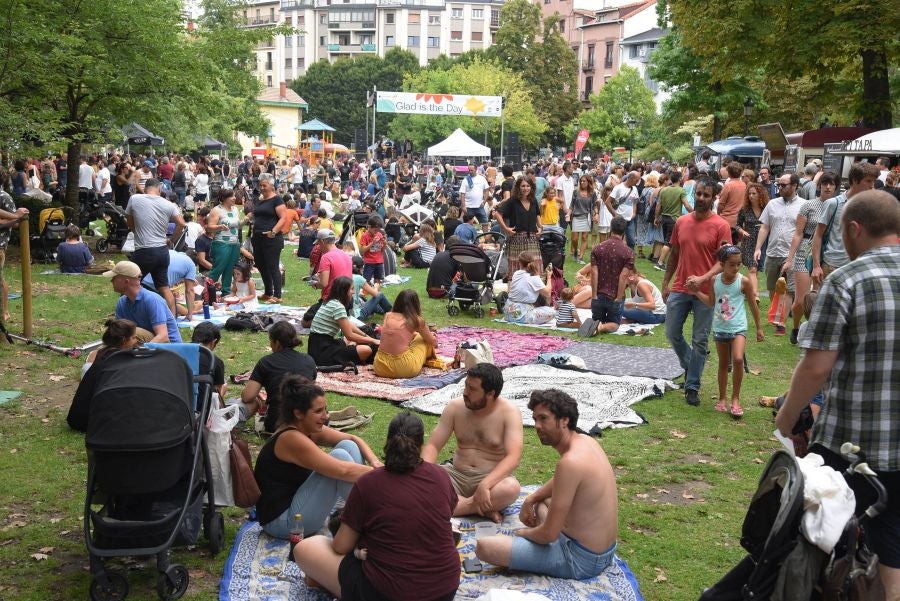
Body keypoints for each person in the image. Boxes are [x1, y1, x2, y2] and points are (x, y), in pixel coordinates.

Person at [776, 190, 899, 599]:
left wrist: (787, 415)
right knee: (892, 552)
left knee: (819, 544)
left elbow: (816, 366)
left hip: (851, 447)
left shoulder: (846, 279)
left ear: (853, 229)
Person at [295, 412, 459, 601]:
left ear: (388, 442)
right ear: (421, 446)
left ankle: (332, 584)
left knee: (306, 548)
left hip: (386, 592)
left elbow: (340, 546)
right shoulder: (440, 476)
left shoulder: (368, 483)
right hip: (445, 590)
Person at [476, 389, 618, 579]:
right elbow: (561, 481)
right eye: (535, 419)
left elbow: (549, 534)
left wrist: (522, 533)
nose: (537, 426)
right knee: (541, 501)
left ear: (565, 420)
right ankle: (538, 545)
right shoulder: (586, 441)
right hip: (603, 552)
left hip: (579, 560)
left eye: (543, 419)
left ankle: (537, 552)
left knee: (485, 547)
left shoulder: (569, 462)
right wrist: (531, 499)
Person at [254, 379, 382, 540]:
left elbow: (353, 438)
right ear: (298, 413)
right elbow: (344, 470)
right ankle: (374, 518)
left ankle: (365, 513)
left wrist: (375, 462)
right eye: (318, 411)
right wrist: (386, 474)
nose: (325, 416)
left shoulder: (306, 427)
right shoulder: (290, 438)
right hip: (283, 523)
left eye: (325, 410)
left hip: (299, 503)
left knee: (348, 445)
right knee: (340, 457)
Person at [662, 177, 732, 407]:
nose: (701, 198)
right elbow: (673, 253)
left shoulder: (721, 226)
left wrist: (703, 278)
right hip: (681, 286)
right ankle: (691, 362)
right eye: (699, 194)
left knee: (700, 339)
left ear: (713, 198)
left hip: (706, 291)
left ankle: (692, 385)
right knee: (671, 332)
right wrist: (666, 282)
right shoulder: (681, 222)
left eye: (706, 195)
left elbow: (725, 261)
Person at [422, 363, 522, 522]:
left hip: (490, 480)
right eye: (466, 386)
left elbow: (513, 457)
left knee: (511, 488)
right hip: (456, 475)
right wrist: (424, 473)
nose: (465, 393)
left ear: (490, 394)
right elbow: (433, 445)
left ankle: (454, 506)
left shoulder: (509, 413)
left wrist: (485, 485)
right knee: (420, 481)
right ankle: (477, 508)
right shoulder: (455, 407)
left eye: (472, 389)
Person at [693, 245, 764, 418]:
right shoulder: (715, 280)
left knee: (738, 359)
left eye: (739, 264)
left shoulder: (744, 281)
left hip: (738, 327)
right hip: (720, 327)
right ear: (722, 264)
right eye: (732, 264)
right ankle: (723, 398)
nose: (736, 268)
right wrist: (696, 293)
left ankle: (736, 399)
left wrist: (759, 327)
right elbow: (711, 303)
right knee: (724, 364)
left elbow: (753, 305)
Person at [782, 172, 835, 344]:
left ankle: (815, 331)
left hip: (827, 251)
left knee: (820, 297)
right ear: (819, 185)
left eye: (831, 184)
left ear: (835, 186)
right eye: (824, 183)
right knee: (801, 299)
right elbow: (798, 233)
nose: (827, 187)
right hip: (805, 250)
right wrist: (790, 258)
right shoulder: (808, 206)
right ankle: (797, 326)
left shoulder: (838, 205)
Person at [809, 161, 879, 287]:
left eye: (874, 181)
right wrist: (816, 266)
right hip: (831, 266)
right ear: (855, 180)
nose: (872, 186)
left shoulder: (869, 205)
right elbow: (818, 235)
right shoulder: (833, 204)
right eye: (868, 181)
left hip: (856, 268)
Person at [241, 321, 317, 434]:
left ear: (276, 343)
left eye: (270, 342)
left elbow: (247, 397)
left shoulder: (266, 362)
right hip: (305, 422)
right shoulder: (309, 360)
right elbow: (312, 392)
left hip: (277, 423)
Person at [125, 178, 185, 319]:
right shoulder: (169, 204)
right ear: (159, 189)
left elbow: (129, 220)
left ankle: (128, 316)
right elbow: (181, 224)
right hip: (162, 252)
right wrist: (171, 240)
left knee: (129, 282)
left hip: (144, 250)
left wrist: (135, 230)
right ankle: (172, 319)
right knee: (164, 288)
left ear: (145, 188)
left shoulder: (135, 199)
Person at [67, 319, 140, 431]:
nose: (136, 340)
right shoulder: (120, 359)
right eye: (134, 337)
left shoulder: (102, 353)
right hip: (91, 423)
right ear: (124, 340)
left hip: (76, 419)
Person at [754, 172, 803, 335]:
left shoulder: (804, 205)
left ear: (795, 186)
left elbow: (801, 232)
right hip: (773, 251)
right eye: (779, 185)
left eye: (784, 185)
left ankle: (780, 323)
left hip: (792, 253)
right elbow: (765, 227)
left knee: (788, 289)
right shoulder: (772, 204)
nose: (779, 188)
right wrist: (758, 248)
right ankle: (777, 313)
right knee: (772, 287)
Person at [308, 276, 380, 366]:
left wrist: (366, 336)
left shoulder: (330, 302)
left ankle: (351, 351)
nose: (354, 292)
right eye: (352, 289)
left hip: (316, 347)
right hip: (323, 352)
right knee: (366, 350)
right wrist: (373, 341)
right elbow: (350, 335)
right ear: (344, 291)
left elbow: (348, 324)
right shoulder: (338, 307)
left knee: (350, 341)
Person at [105, 260, 181, 343]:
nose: (111, 280)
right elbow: (118, 332)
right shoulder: (121, 302)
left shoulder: (152, 300)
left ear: (126, 281)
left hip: (171, 349)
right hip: (149, 343)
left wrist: (140, 351)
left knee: (133, 332)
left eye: (114, 277)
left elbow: (163, 337)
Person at [583, 216, 634, 336]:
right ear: (624, 231)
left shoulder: (597, 248)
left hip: (598, 294)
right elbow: (623, 277)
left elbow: (594, 273)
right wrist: (618, 298)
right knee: (615, 324)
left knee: (597, 319)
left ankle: (596, 325)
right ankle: (599, 328)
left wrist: (594, 295)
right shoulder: (628, 252)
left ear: (611, 228)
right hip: (615, 296)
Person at [371, 290, 437, 379]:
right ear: (416, 304)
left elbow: (398, 333)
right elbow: (433, 342)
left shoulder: (388, 315)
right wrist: (432, 336)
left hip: (380, 366)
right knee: (422, 339)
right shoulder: (416, 320)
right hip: (404, 368)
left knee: (417, 336)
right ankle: (428, 357)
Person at [249, 173, 290, 304]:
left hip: (271, 238)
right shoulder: (261, 200)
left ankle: (277, 295)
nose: (261, 187)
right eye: (260, 185)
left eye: (264, 185)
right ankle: (268, 292)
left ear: (271, 186)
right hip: (258, 237)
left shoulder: (277, 199)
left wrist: (274, 231)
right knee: (261, 265)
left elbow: (283, 217)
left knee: (272, 266)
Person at [302, 229, 352, 328]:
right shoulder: (345, 255)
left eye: (319, 244)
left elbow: (324, 284)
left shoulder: (326, 257)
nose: (318, 247)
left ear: (323, 242)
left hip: (331, 301)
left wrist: (315, 284)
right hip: (347, 301)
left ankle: (332, 321)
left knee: (305, 322)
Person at [495, 176, 543, 277]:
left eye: (528, 186)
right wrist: (505, 228)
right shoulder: (513, 201)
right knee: (516, 271)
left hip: (532, 240)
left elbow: (537, 214)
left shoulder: (533, 200)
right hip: (516, 241)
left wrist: (540, 226)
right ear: (518, 187)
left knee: (534, 269)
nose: (525, 188)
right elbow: (497, 214)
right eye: (523, 186)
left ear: (531, 187)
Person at [735, 183, 769, 303]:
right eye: (749, 193)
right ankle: (755, 295)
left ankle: (748, 289)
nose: (751, 196)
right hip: (749, 242)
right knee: (752, 269)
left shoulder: (767, 208)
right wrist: (742, 231)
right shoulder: (744, 210)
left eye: (754, 193)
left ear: (760, 194)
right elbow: (737, 225)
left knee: (757, 268)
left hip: (764, 242)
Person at [141, 249, 198, 321]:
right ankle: (171, 324)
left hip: (141, 281)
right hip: (157, 289)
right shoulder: (191, 265)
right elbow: (190, 291)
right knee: (170, 312)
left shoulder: (170, 251)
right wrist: (190, 314)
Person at [502, 251, 556, 325]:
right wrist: (549, 277)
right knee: (553, 312)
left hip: (508, 313)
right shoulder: (533, 277)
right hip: (522, 316)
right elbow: (548, 294)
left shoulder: (516, 273)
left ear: (520, 263)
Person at [205, 189, 242, 293]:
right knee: (218, 269)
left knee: (230, 269)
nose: (235, 198)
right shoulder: (217, 210)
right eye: (232, 196)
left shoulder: (235, 209)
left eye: (234, 195)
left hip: (235, 243)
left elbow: (237, 225)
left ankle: (226, 292)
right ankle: (206, 291)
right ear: (225, 198)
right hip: (221, 243)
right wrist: (220, 227)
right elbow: (209, 227)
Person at [654, 171, 692, 270]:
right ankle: (660, 263)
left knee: (668, 241)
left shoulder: (663, 190)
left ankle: (668, 261)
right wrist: (694, 212)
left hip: (664, 218)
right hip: (673, 219)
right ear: (679, 179)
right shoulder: (681, 191)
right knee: (668, 242)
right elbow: (687, 205)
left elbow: (658, 206)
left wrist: (656, 218)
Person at [190, 321, 226, 403]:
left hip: (173, 404)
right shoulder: (215, 361)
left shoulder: (177, 353)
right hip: (199, 412)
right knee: (224, 386)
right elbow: (216, 396)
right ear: (213, 342)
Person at [350, 256, 392, 322]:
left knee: (371, 303)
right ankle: (393, 311)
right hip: (357, 315)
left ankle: (383, 311)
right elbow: (375, 294)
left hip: (349, 314)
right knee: (380, 295)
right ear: (361, 268)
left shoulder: (345, 275)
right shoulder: (358, 278)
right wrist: (376, 286)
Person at [604, 171, 640, 249]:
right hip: (619, 220)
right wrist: (615, 214)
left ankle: (629, 258)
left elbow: (634, 202)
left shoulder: (634, 189)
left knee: (632, 241)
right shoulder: (619, 188)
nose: (637, 182)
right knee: (615, 241)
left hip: (630, 220)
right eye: (636, 180)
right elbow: (607, 202)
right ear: (631, 178)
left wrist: (634, 213)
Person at [459, 164, 491, 233]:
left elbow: (487, 190)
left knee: (485, 223)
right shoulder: (466, 180)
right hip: (469, 207)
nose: (470, 172)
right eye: (469, 170)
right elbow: (462, 193)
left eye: (472, 170)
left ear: (476, 170)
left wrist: (484, 201)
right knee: (465, 224)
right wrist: (463, 206)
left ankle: (485, 238)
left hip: (479, 206)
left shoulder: (482, 178)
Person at [358, 214, 386, 284]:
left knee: (378, 280)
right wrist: (372, 243)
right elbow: (362, 251)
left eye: (378, 230)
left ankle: (376, 293)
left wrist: (385, 243)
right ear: (369, 227)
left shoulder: (379, 234)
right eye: (375, 230)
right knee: (366, 280)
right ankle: (364, 293)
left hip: (379, 261)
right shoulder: (365, 236)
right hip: (369, 262)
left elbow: (382, 250)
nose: (377, 232)